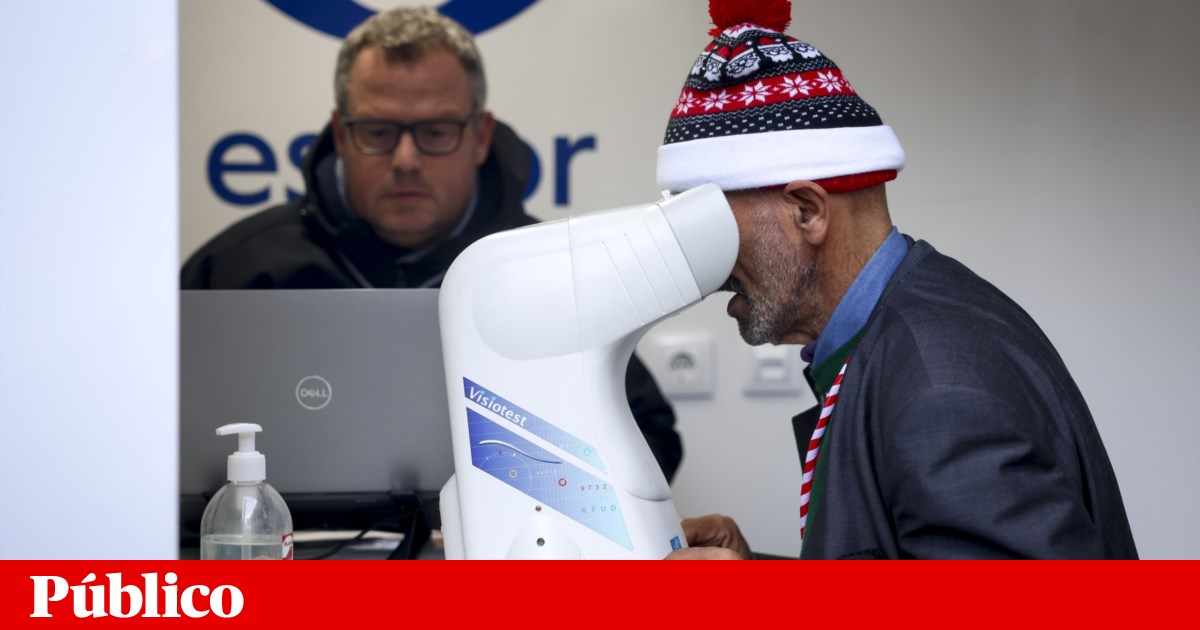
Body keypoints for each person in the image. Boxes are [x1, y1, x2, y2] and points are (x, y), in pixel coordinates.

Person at [660, 0, 1137, 559]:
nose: (709, 270)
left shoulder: (938, 388)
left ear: (807, 211)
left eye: (712, 227)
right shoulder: (905, 330)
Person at [181, 7, 683, 480]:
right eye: (377, 131)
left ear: (481, 136)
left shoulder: (547, 272)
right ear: (339, 134)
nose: (405, 159)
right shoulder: (236, 270)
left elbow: (651, 439)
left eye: (435, 131)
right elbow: (161, 438)